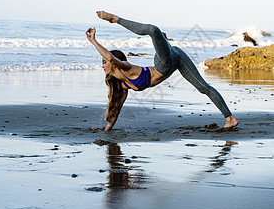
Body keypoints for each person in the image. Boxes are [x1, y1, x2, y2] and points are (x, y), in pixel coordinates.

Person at [86, 11, 239, 131]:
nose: (103, 65)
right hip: (174, 60)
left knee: (153, 30)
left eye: (104, 62)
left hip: (164, 63)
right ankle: (230, 120)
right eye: (103, 63)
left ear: (114, 64)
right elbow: (116, 108)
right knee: (202, 88)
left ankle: (115, 19)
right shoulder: (121, 86)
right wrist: (106, 130)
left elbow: (111, 58)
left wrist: (94, 40)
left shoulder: (126, 68)